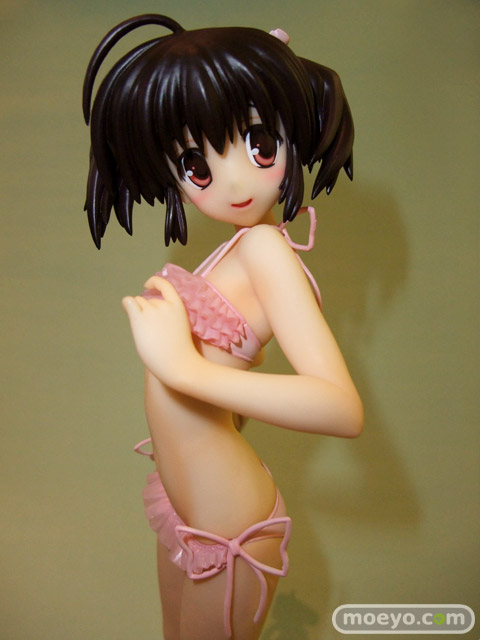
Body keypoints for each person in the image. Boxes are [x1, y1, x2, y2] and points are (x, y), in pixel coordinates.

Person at [83, 14, 363, 640]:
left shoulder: (266, 250)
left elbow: (340, 408)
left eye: (260, 145)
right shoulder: (237, 248)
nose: (234, 181)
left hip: (229, 519)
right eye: (195, 164)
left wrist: (183, 369)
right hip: (188, 501)